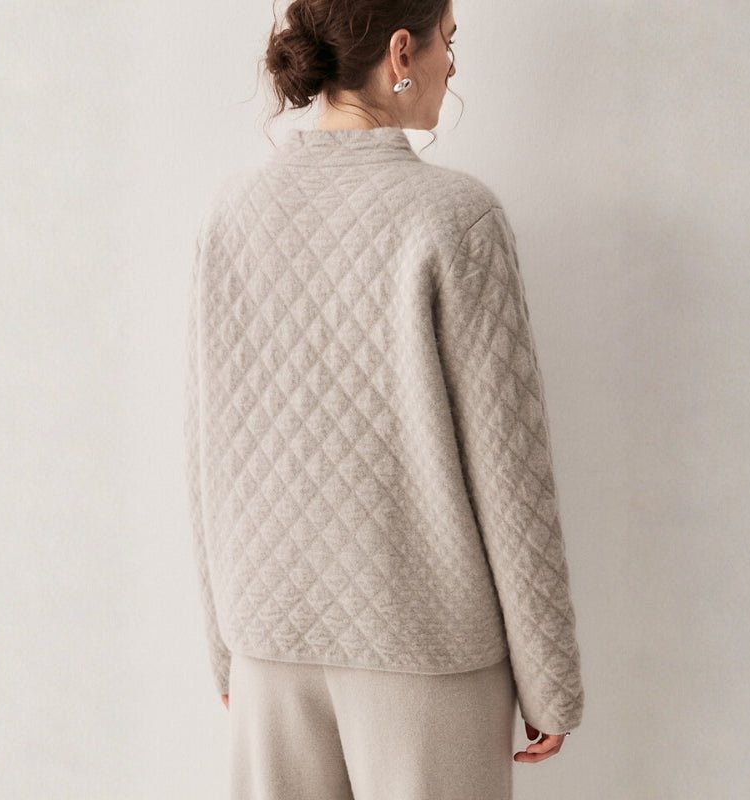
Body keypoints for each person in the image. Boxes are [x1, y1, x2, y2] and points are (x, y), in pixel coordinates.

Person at [183, 1, 585, 797]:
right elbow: (512, 474)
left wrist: (227, 649)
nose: (451, 67)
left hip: (269, 639)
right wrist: (551, 682)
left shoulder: (230, 211)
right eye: (448, 43)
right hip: (426, 650)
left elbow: (206, 450)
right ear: (402, 51)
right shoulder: (456, 217)